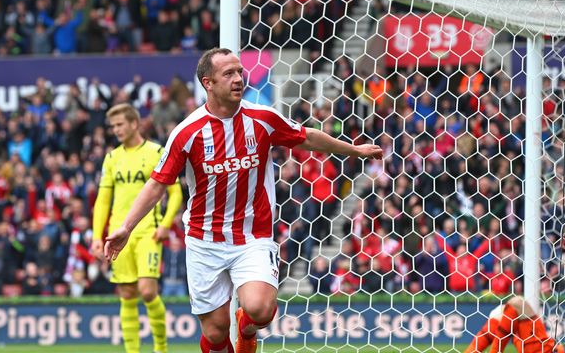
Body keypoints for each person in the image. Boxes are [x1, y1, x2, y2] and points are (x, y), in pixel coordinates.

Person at [105, 47, 383, 353]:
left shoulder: (262, 118)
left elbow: (306, 137)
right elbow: (157, 185)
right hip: (204, 239)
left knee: (260, 309)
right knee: (214, 333)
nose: (238, 79)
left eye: (239, 71)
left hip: (253, 235)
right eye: (229, 74)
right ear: (208, 83)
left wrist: (353, 150)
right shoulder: (187, 133)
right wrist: (127, 227)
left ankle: (247, 329)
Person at [91, 103, 182, 353]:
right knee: (127, 293)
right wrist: (97, 236)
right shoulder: (112, 158)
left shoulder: (155, 152)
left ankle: (160, 349)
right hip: (118, 234)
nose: (116, 130)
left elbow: (175, 193)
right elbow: (103, 200)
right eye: (113, 126)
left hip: (147, 232)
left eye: (120, 124)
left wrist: (165, 225)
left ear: (134, 124)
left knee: (147, 290)